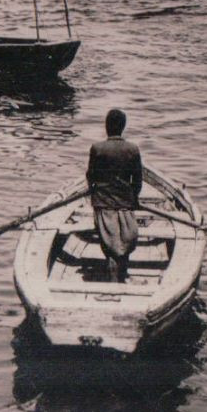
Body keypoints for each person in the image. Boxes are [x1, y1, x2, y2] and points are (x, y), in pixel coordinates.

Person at [86, 108, 142, 283]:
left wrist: (93, 192)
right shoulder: (133, 149)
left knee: (109, 243)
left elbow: (91, 176)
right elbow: (138, 181)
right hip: (125, 202)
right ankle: (122, 276)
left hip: (103, 203)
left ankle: (112, 276)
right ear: (123, 127)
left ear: (106, 126)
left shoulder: (97, 148)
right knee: (125, 239)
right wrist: (134, 199)